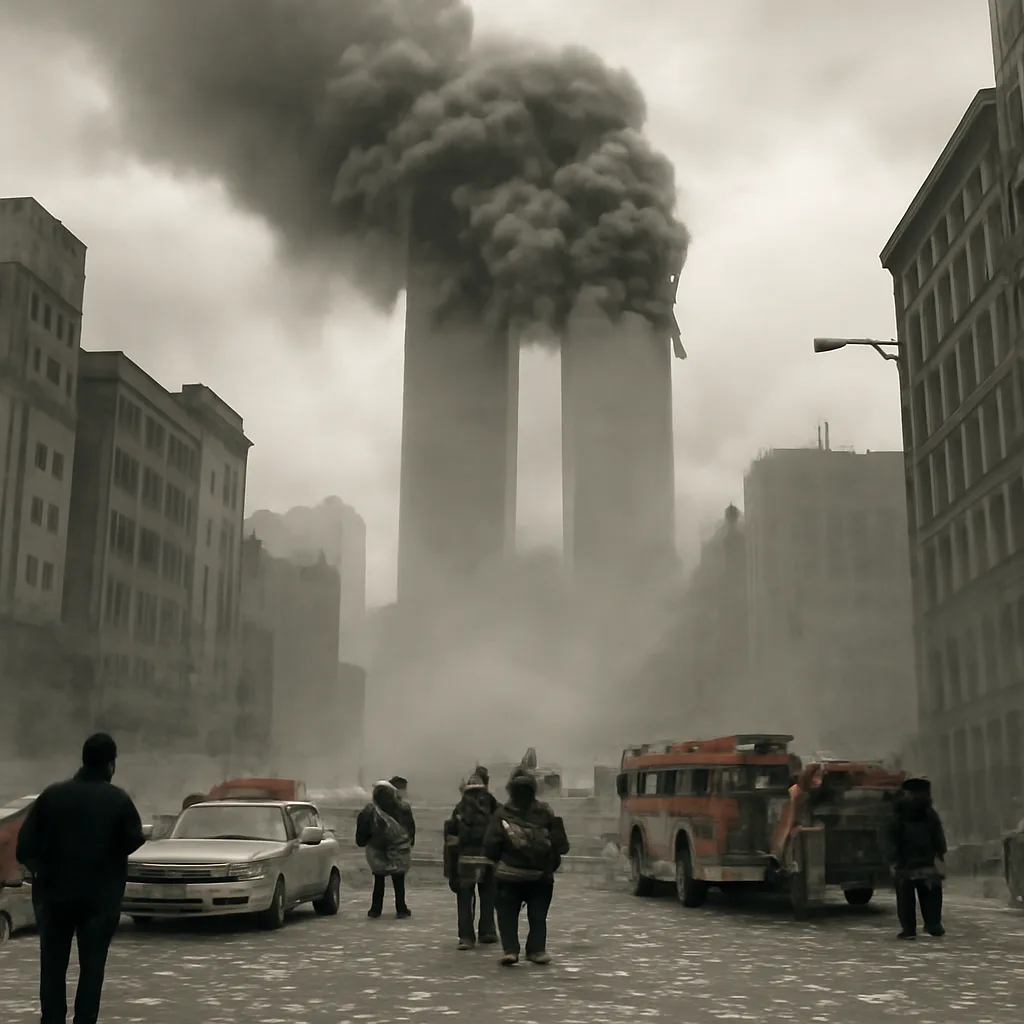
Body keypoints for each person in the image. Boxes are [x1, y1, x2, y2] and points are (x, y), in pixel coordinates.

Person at [16, 732, 145, 1024]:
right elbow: (134, 839)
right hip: (99, 899)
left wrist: (41, 869)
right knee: (92, 967)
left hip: (53, 896)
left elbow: (24, 847)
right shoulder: (118, 800)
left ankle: (52, 1020)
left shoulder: (52, 796)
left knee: (52, 966)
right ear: (111, 764)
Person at [483, 767, 569, 967]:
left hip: (508, 875)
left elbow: (490, 847)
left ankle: (511, 950)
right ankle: (536, 950)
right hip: (540, 876)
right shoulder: (546, 813)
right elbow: (562, 845)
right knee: (538, 917)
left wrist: (499, 861)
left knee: (507, 916)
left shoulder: (501, 814)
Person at [886, 776, 947, 939]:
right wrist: (940, 854)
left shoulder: (898, 812)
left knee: (905, 899)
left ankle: (909, 930)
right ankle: (934, 925)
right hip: (927, 862)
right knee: (932, 894)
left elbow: (890, 836)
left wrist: (893, 858)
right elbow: (938, 835)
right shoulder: (929, 812)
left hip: (905, 863)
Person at [444, 768, 498, 950]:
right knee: (488, 897)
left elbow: (450, 839)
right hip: (488, 860)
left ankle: (466, 937)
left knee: (465, 899)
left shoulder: (459, 810)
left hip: (465, 861)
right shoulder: (493, 807)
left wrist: (450, 870)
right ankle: (487, 932)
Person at [355, 780, 415, 919]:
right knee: (398, 880)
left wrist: (364, 841)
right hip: (399, 848)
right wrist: (409, 842)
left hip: (376, 849)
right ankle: (401, 908)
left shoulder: (369, 811)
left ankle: (376, 909)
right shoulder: (403, 808)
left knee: (379, 879)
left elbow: (362, 832)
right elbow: (410, 827)